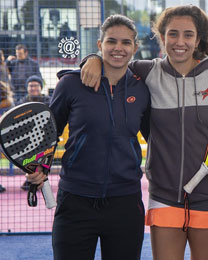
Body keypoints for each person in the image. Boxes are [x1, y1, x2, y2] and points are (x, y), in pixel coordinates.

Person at [80, 5, 208, 260]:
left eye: (187, 35)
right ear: (162, 37)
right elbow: (115, 57)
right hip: (164, 195)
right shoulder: (146, 72)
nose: (180, 42)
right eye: (172, 34)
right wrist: (93, 59)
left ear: (197, 39)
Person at [26, 14, 150, 260]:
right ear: (99, 45)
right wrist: (38, 168)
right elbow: (48, 134)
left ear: (135, 48)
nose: (118, 48)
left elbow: (159, 137)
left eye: (126, 43)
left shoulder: (143, 89)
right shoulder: (71, 84)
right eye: (111, 41)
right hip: (75, 200)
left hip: (125, 202)